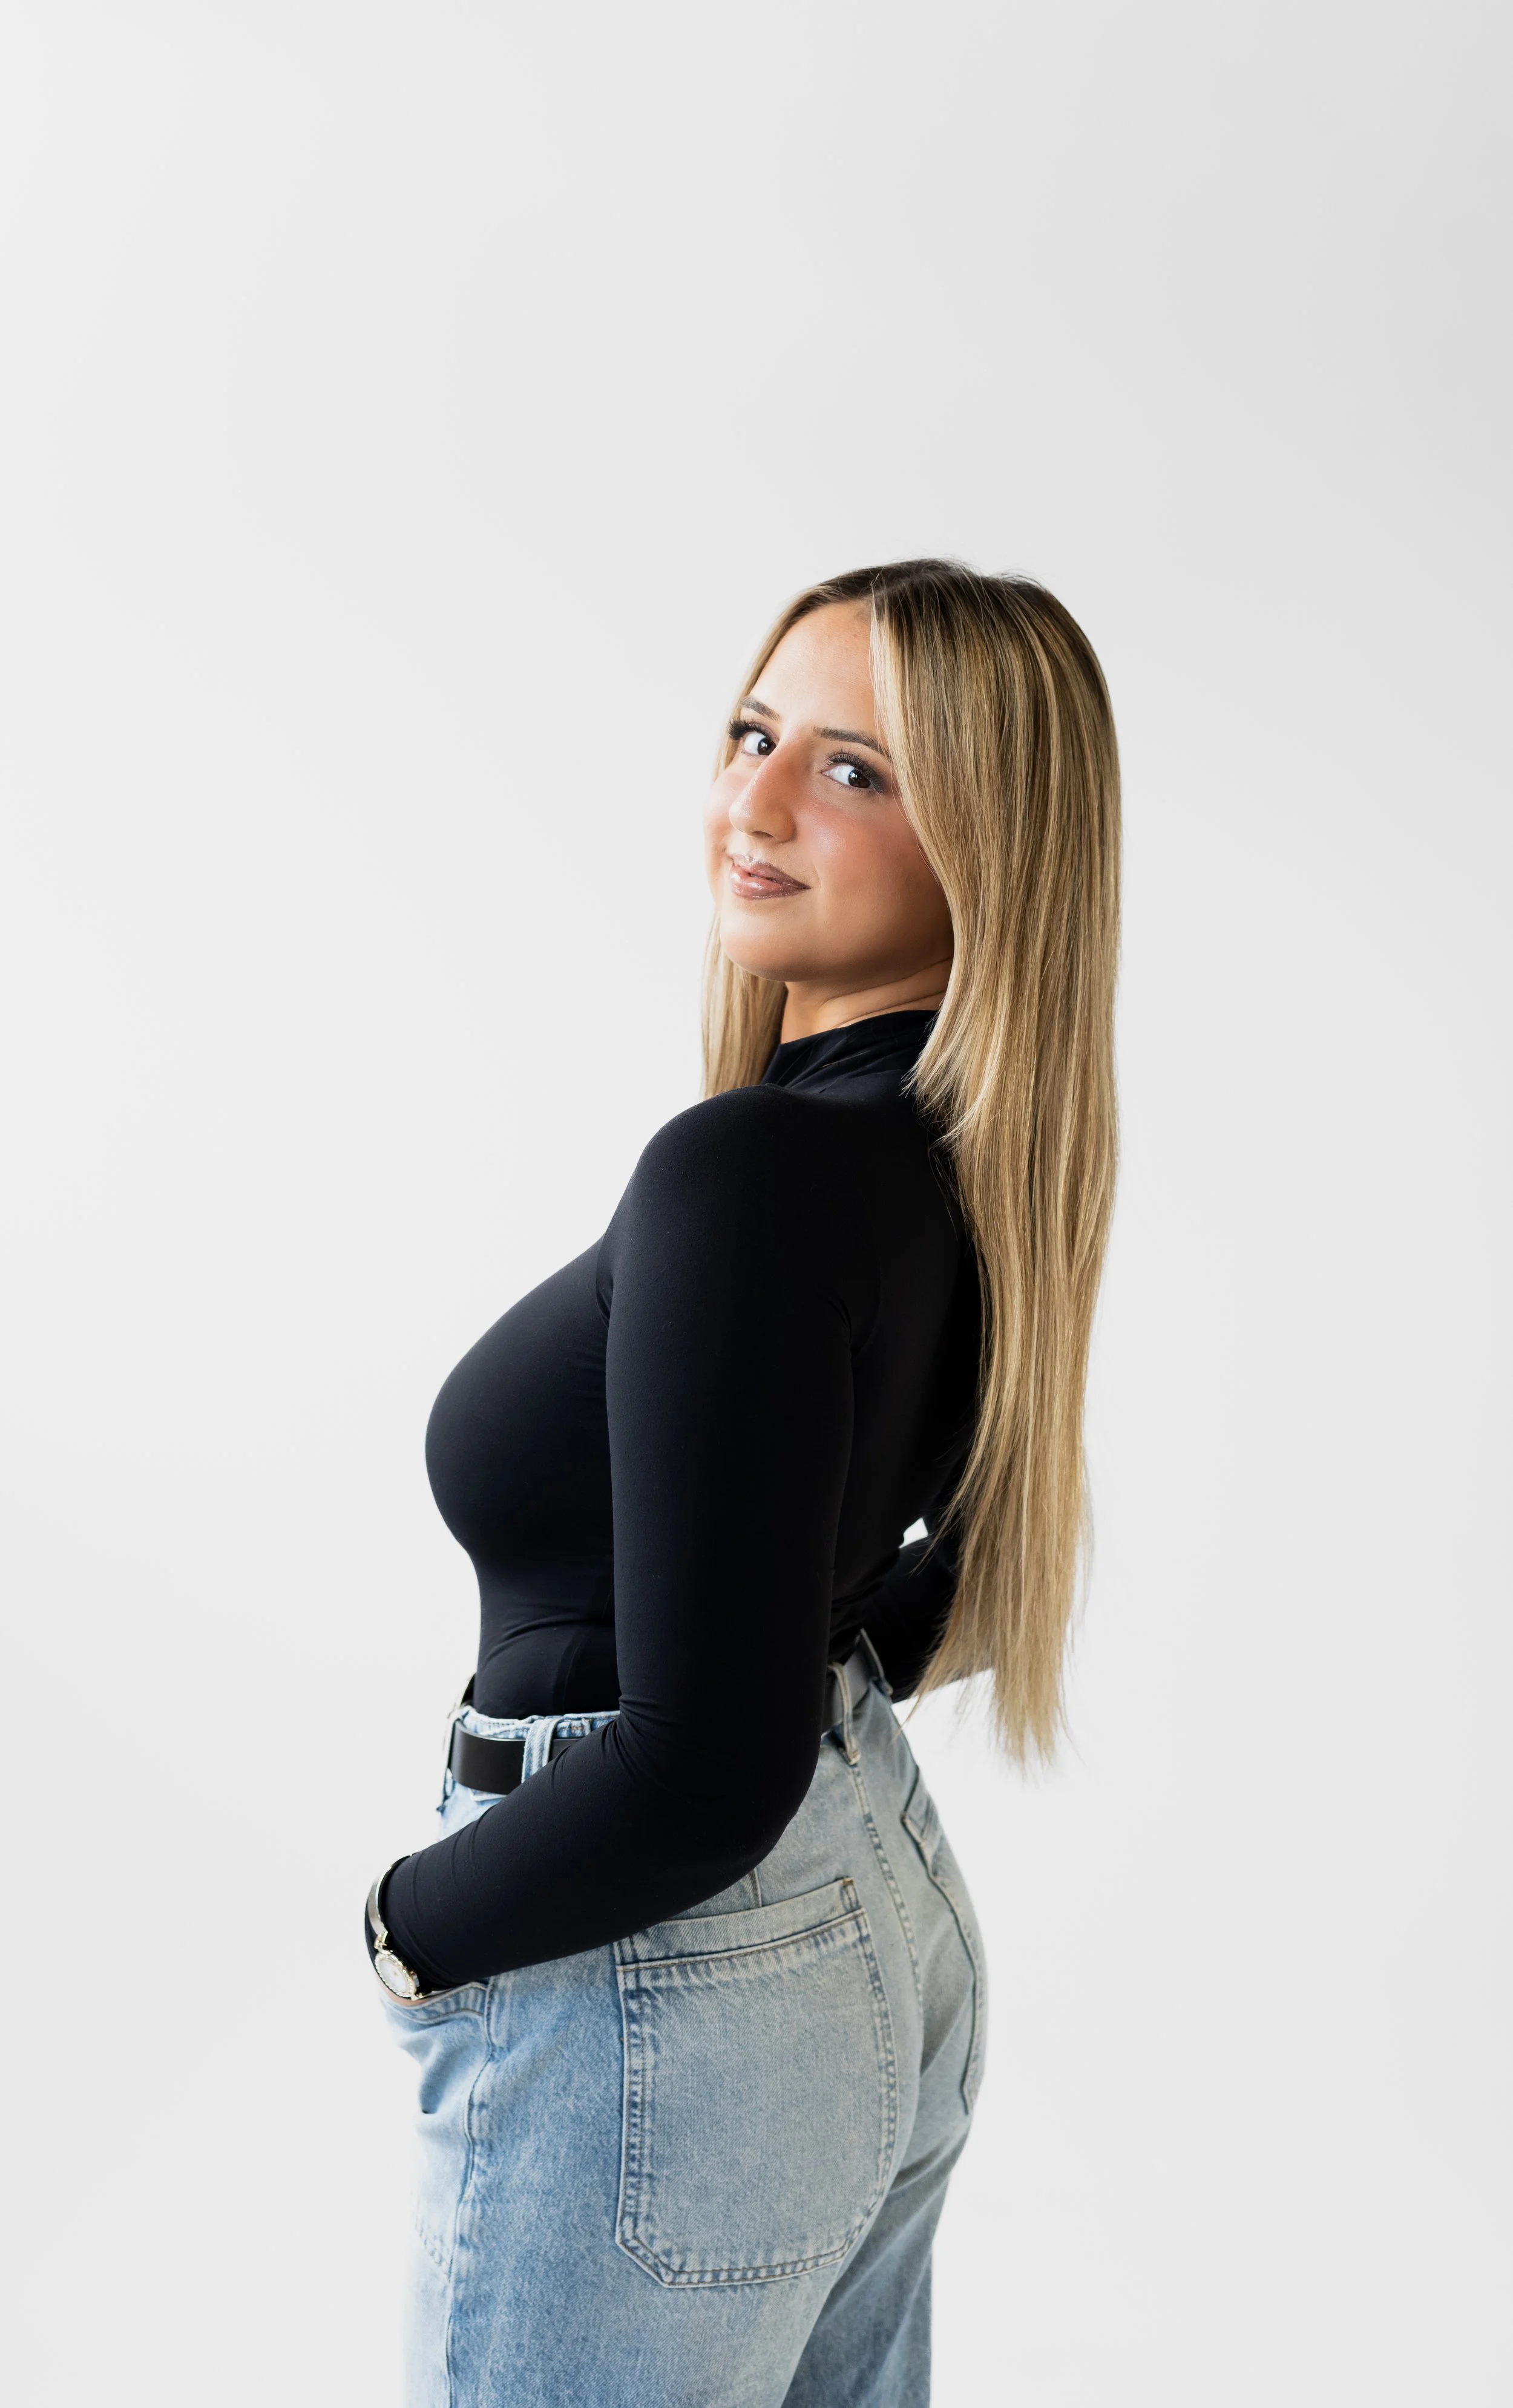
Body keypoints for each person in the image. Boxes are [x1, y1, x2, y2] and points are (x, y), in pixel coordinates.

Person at [364, 557, 1121, 2407]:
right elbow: (936, 1574)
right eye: (751, 732)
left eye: (854, 767)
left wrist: (411, 1926)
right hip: (860, 1920)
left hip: (650, 1959)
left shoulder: (751, 1173)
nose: (754, 800)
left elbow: (706, 1770)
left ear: (990, 835)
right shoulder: (959, 1159)